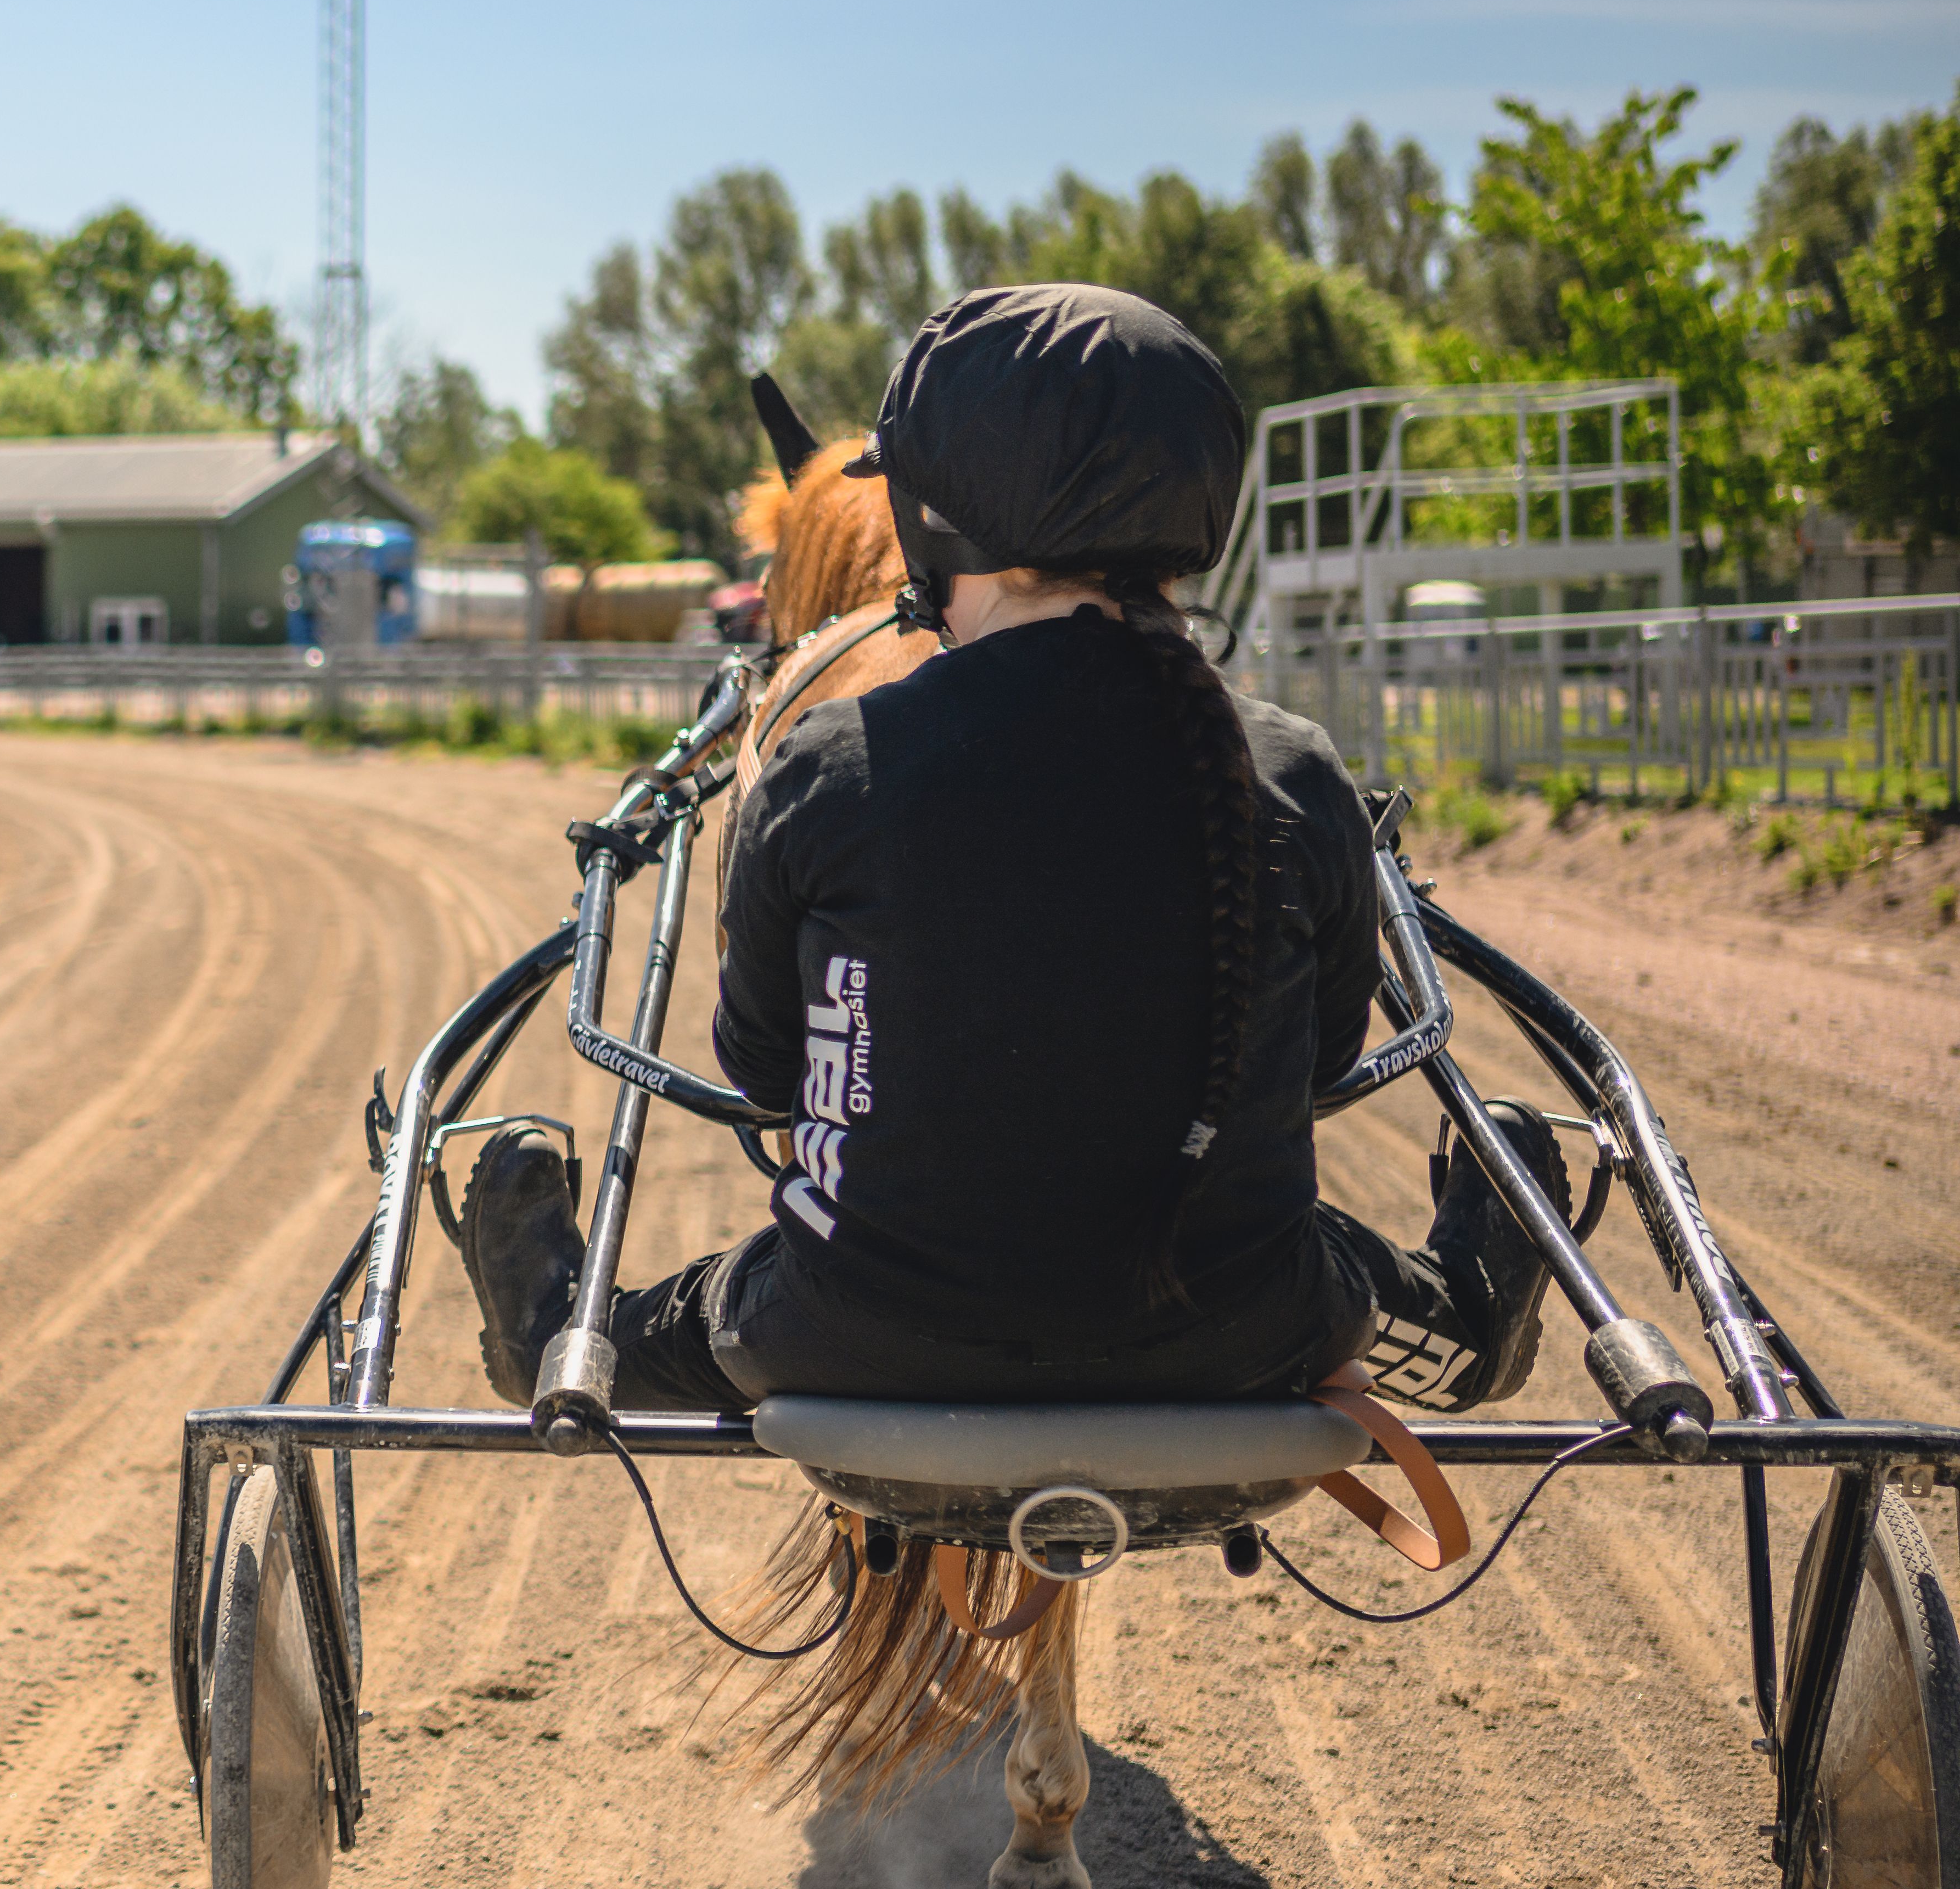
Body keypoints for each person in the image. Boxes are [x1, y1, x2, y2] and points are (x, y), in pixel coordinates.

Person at [463, 283, 1568, 1417]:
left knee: (643, 1330)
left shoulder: (829, 763)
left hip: (851, 1331)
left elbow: (764, 1071)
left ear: (932, 513)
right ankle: (1476, 1319)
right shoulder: (1292, 766)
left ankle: (550, 1325)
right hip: (1247, 1330)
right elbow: (1322, 1062)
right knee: (1424, 1311)